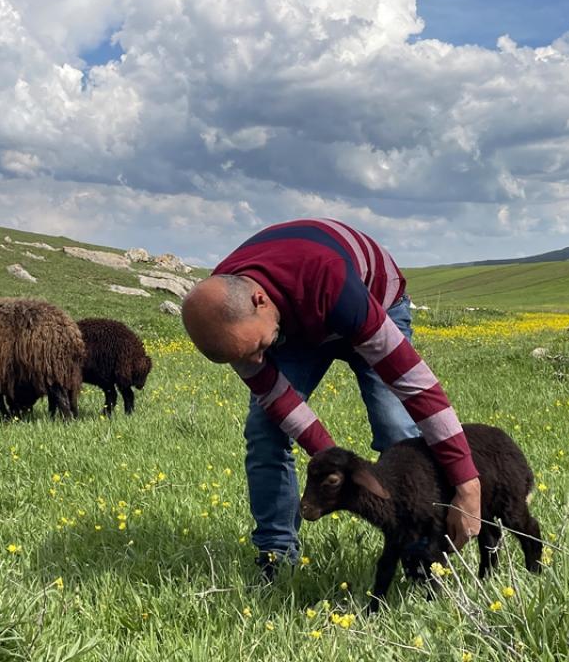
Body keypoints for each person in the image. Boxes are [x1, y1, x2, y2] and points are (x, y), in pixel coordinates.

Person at [180, 218, 482, 579]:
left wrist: (467, 484)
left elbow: (414, 385)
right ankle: (276, 558)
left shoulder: (327, 279)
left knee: (396, 429)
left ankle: (420, 556)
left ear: (259, 300)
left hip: (372, 303)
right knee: (265, 431)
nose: (257, 361)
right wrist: (338, 469)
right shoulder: (225, 317)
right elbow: (278, 400)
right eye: (244, 357)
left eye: (258, 348)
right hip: (295, 326)